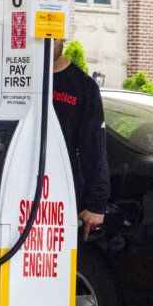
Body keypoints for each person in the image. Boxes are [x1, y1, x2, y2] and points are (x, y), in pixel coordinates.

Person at [51, 38, 110, 241]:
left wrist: (96, 205)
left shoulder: (83, 87)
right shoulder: (17, 76)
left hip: (62, 200)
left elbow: (94, 149)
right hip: (16, 195)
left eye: (52, 35)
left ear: (63, 35)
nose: (46, 39)